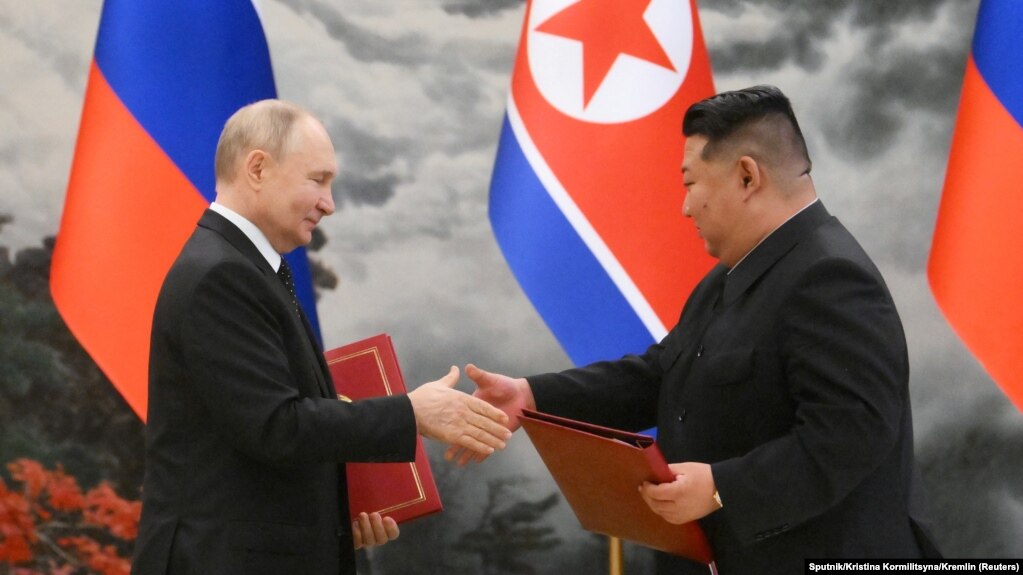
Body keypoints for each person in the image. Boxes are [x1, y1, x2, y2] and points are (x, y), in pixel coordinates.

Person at [462, 85, 939, 574]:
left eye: (690, 184)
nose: (685, 208)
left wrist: (719, 487)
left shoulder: (831, 276)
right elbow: (663, 375)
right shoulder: (733, 274)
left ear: (747, 176)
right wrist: (531, 395)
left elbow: (850, 435)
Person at [131, 99, 511, 575]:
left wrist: (336, 518)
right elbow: (277, 427)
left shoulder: (242, 266)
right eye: (318, 180)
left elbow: (255, 441)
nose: (329, 204)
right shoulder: (222, 276)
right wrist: (413, 412)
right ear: (257, 168)